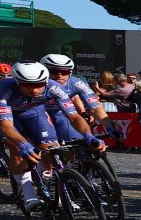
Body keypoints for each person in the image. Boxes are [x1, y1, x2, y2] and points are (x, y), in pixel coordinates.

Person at [1, 61, 105, 211]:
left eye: (39, 84)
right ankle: (28, 193)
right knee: (17, 148)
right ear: (17, 83)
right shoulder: (4, 89)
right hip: (8, 116)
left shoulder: (54, 88)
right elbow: (6, 126)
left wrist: (88, 135)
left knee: (51, 148)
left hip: (33, 112)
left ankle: (53, 187)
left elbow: (74, 117)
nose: (35, 89)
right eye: (28, 85)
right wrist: (22, 143)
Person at [39, 53, 118, 143]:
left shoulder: (76, 83)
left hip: (58, 113)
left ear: (70, 72)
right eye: (54, 71)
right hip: (36, 113)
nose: (59, 75)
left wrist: (109, 125)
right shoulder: (34, 83)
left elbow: (96, 107)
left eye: (65, 72)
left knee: (78, 142)